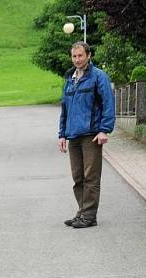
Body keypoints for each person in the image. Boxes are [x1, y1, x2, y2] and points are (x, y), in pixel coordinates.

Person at [58, 41, 115, 229]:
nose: (77, 59)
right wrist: (62, 134)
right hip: (73, 135)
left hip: (91, 135)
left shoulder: (99, 77)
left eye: (80, 55)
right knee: (78, 177)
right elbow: (64, 109)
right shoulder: (70, 79)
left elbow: (108, 104)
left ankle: (89, 216)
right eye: (74, 56)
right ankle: (82, 212)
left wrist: (104, 130)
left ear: (88, 55)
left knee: (91, 177)